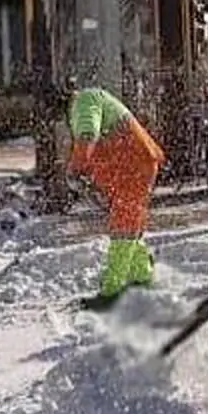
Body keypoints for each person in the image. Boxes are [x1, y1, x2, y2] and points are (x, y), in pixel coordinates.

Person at [61, 83, 165, 309]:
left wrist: (76, 168)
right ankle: (142, 277)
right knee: (129, 226)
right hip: (134, 163)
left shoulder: (84, 101)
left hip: (133, 164)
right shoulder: (90, 99)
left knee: (123, 226)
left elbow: (88, 133)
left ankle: (111, 293)